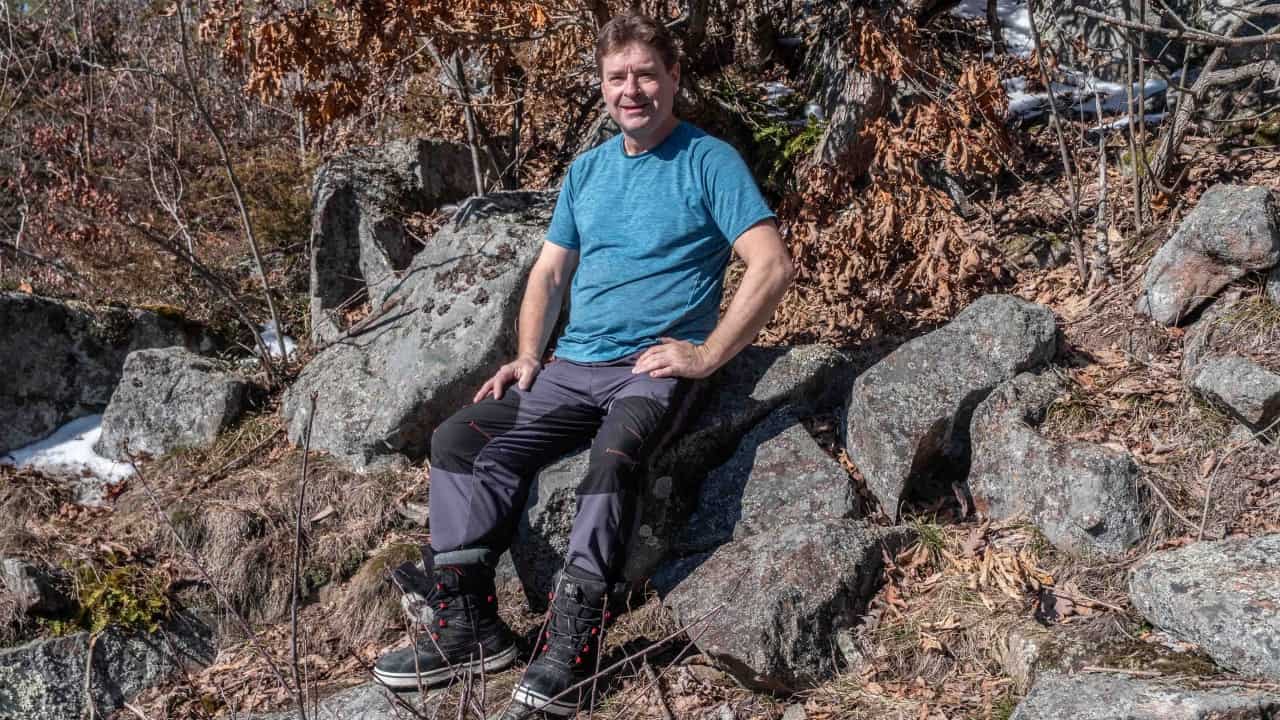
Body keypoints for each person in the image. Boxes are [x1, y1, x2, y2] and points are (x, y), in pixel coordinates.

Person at [372, 10, 794, 717]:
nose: (632, 90)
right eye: (617, 77)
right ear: (602, 85)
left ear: (673, 78)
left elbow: (771, 264)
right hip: (569, 367)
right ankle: (471, 628)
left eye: (646, 75)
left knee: (613, 458)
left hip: (648, 369)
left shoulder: (707, 160)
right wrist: (529, 356)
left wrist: (710, 352)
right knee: (461, 442)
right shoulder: (587, 171)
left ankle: (576, 638)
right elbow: (547, 276)